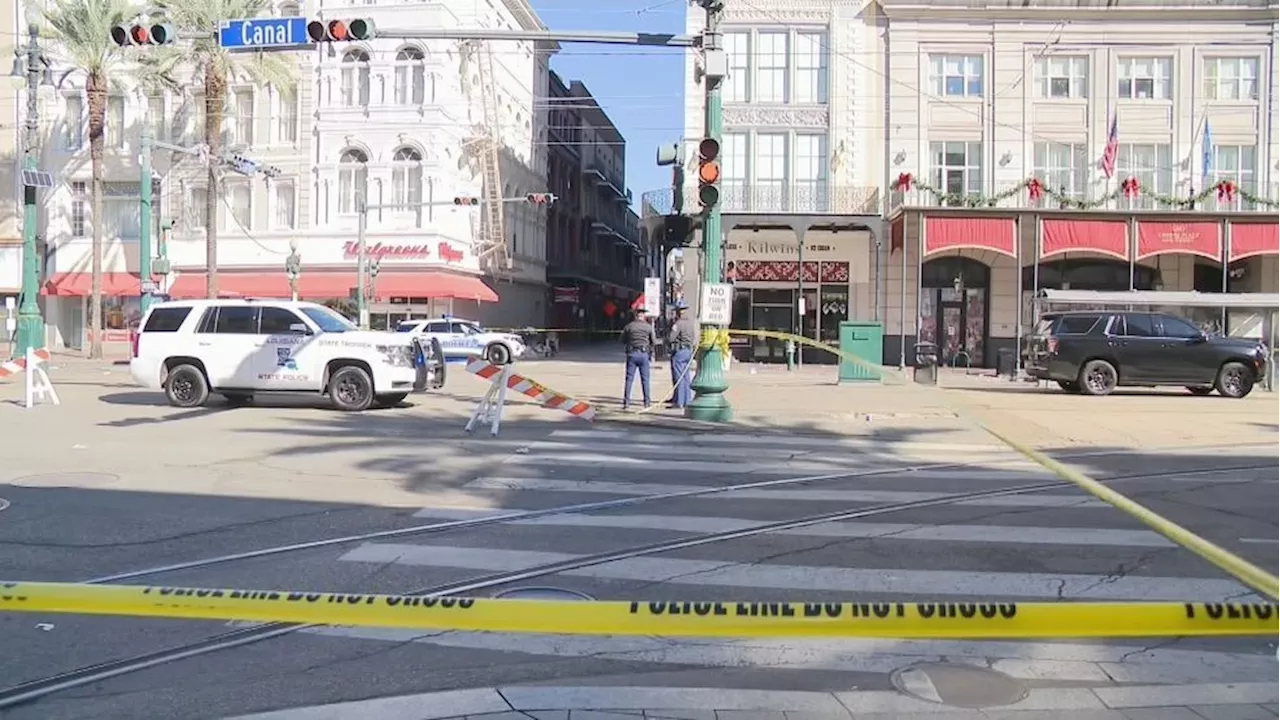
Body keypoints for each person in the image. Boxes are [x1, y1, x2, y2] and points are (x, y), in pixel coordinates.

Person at [620, 309, 656, 410]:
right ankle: (647, 402)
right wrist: (651, 352)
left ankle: (626, 402)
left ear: (635, 316)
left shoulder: (629, 326)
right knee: (645, 379)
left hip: (632, 354)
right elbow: (653, 341)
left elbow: (622, 340)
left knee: (629, 379)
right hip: (644, 354)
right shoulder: (648, 327)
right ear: (643, 316)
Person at [667, 300, 697, 409]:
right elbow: (693, 337)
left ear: (678, 312)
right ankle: (687, 400)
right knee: (686, 376)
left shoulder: (678, 324)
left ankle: (678, 402)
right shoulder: (690, 323)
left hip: (679, 351)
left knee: (678, 376)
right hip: (688, 351)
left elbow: (671, 338)